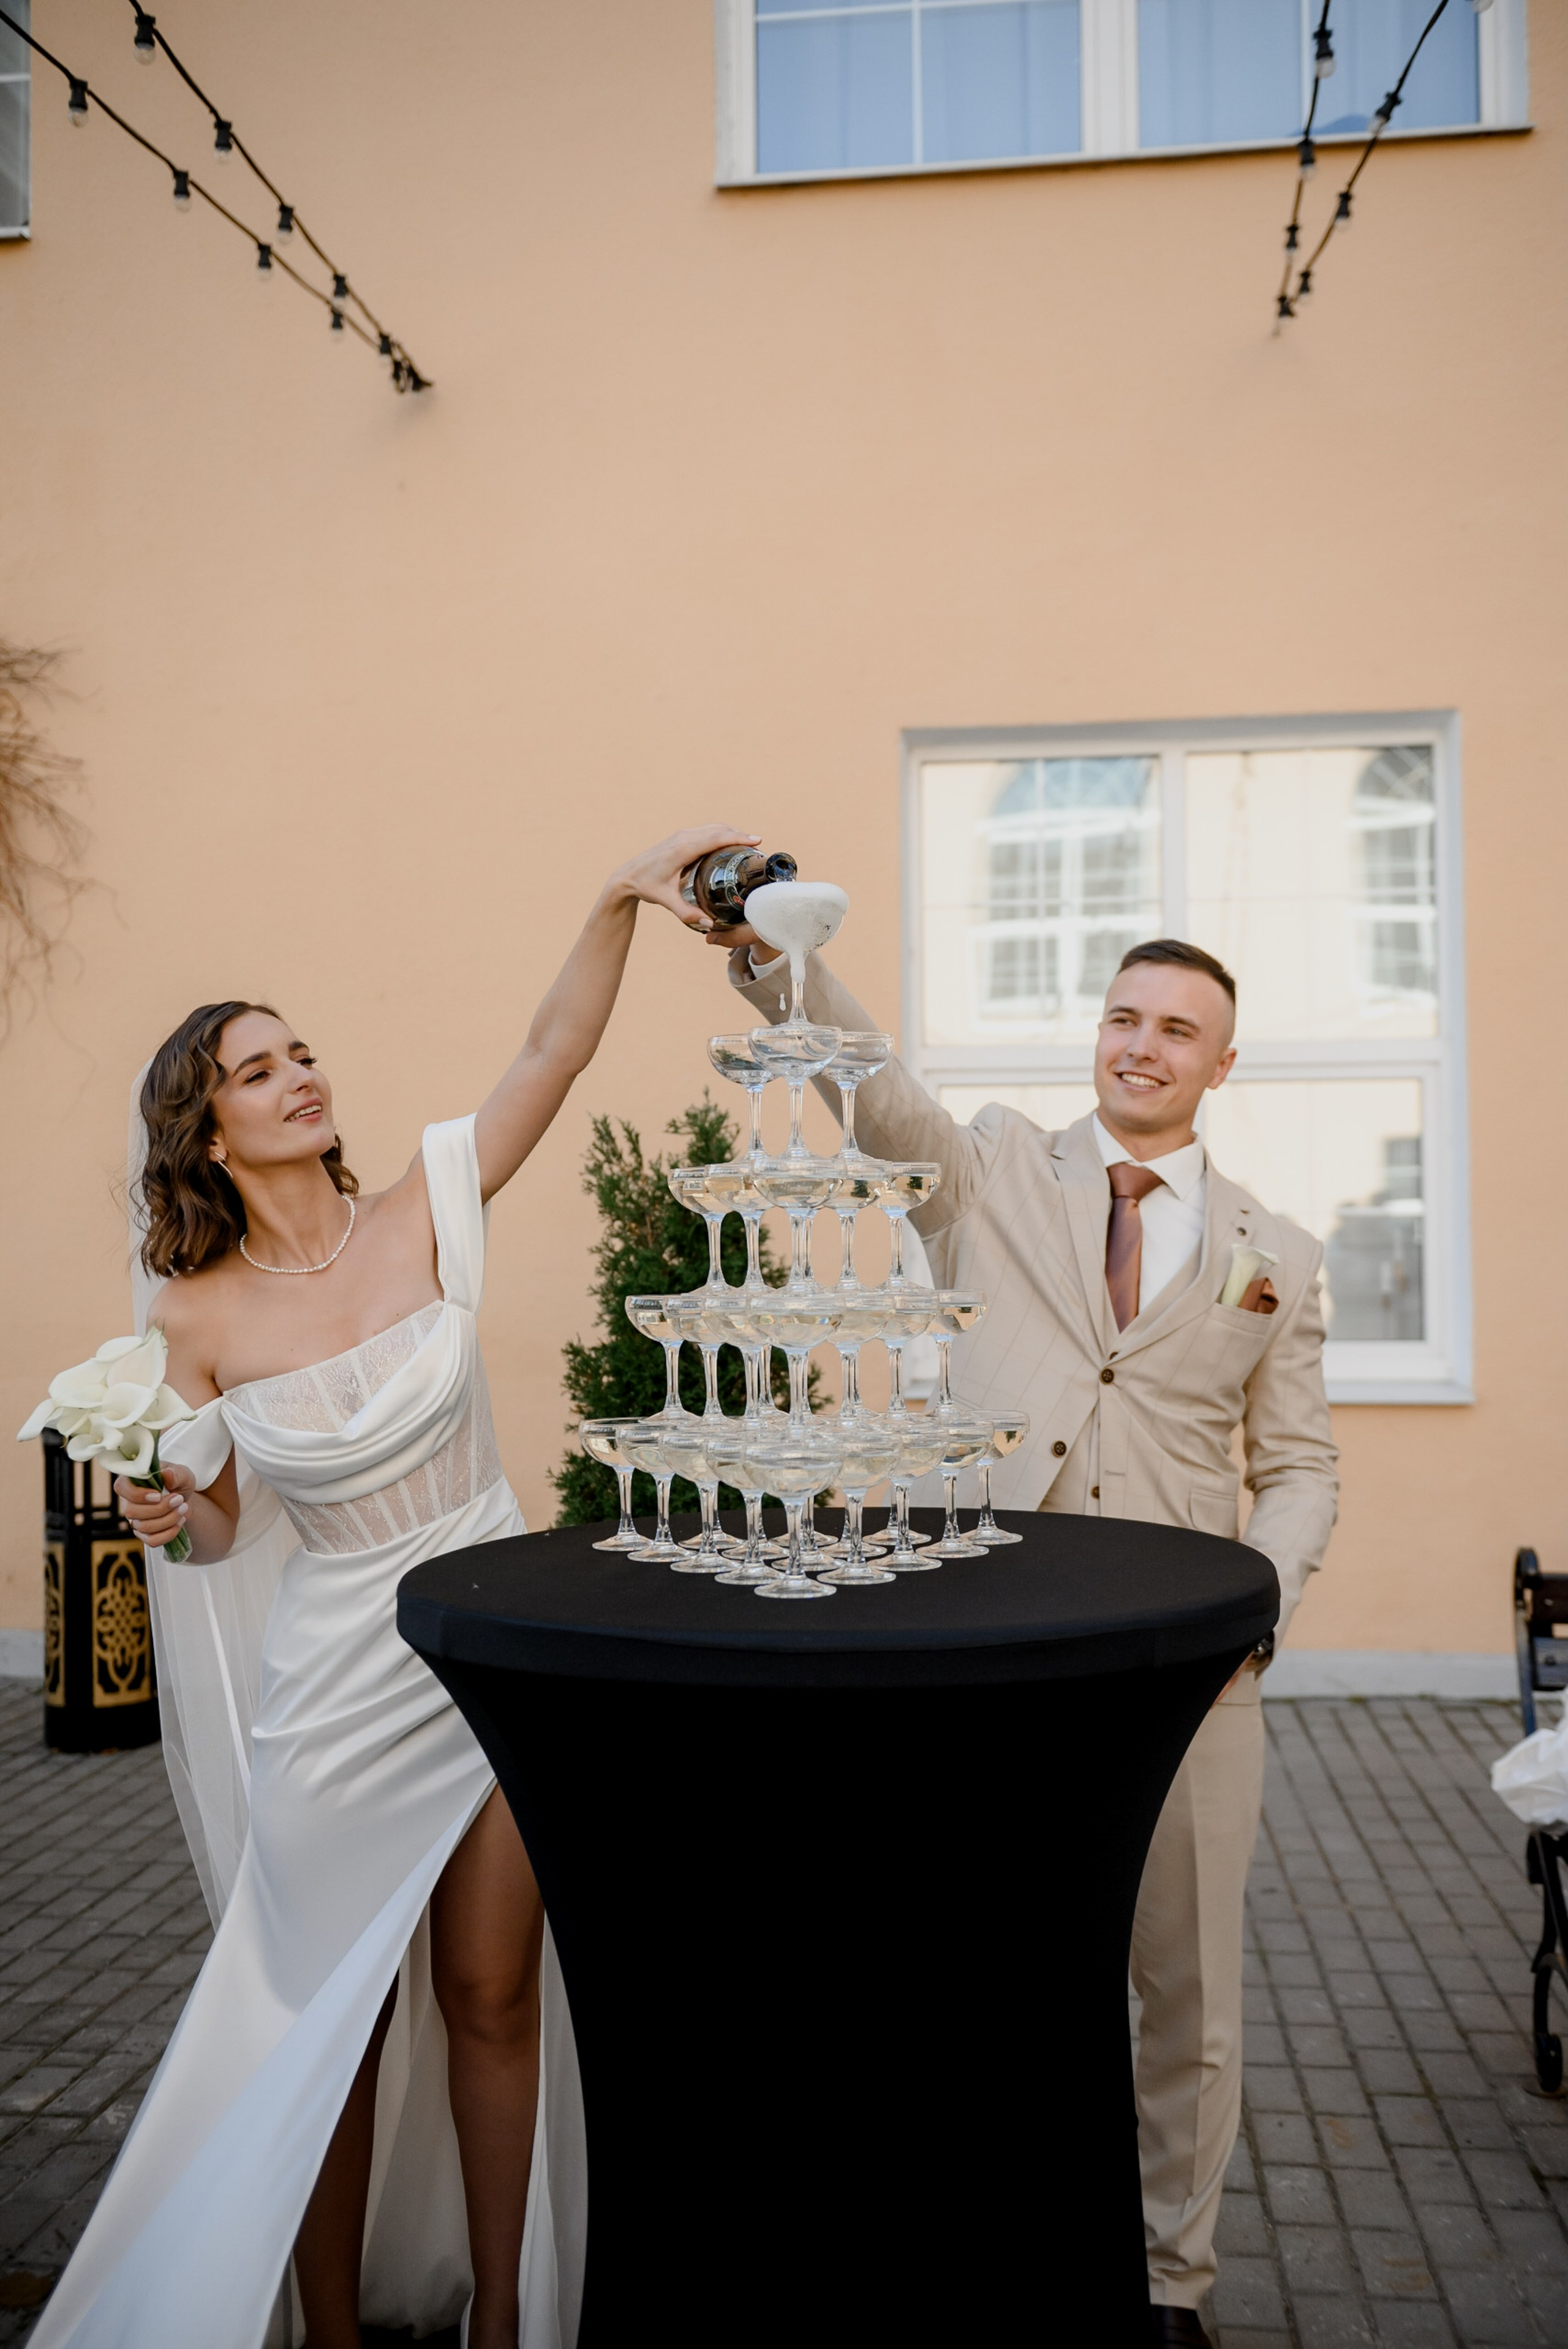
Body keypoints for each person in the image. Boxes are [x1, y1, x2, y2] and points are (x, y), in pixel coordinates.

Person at [34, 825, 750, 2349]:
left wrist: (614, 896)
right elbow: (226, 1534)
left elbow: (553, 1049)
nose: (302, 1075)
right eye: (256, 1068)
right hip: (333, 1684)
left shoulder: (428, 1202)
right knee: (326, 2034)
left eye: (302, 1052)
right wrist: (175, 1516)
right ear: (209, 1131)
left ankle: (504, 2323)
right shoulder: (191, 1314)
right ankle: (335, 2334)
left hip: (489, 1653)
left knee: (492, 1996)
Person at [713, 923, 1338, 2347]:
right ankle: (978, 2247)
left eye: (1175, 1029)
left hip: (1191, 1673)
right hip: (992, 1646)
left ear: (1219, 1065)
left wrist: (1261, 1606)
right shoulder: (988, 1168)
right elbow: (871, 1094)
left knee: (1186, 1993)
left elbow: (1298, 1463)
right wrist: (773, 963)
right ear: (1096, 1033)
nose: (1140, 1044)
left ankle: (1169, 2287)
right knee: (977, 1962)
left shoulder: (1275, 1256)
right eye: (1124, 1016)